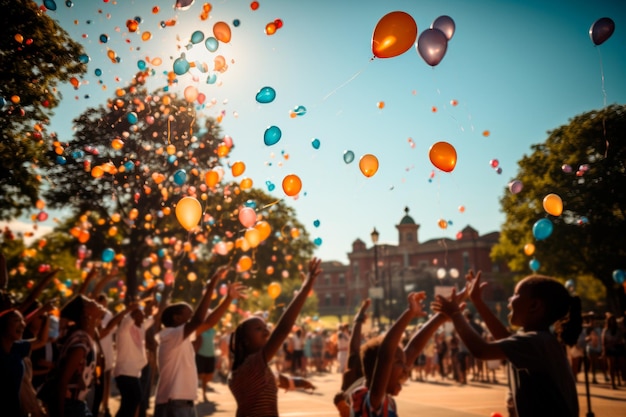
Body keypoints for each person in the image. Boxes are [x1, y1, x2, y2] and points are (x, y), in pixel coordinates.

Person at [431, 271, 582, 417]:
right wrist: (478, 302)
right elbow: (504, 338)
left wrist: (455, 314)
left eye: (516, 294)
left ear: (534, 305)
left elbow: (481, 351)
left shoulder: (536, 342)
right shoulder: (538, 340)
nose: (509, 299)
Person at [228, 257, 322, 417]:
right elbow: (284, 328)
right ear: (245, 341)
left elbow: (279, 379)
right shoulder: (250, 366)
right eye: (259, 329)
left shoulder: (254, 367)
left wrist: (300, 382)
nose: (266, 332)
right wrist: (305, 288)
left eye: (265, 327)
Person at [153, 265, 244, 417]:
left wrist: (228, 298)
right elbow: (199, 320)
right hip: (173, 403)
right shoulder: (170, 335)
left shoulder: (180, 337)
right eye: (188, 316)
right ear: (176, 318)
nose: (192, 319)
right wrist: (212, 283)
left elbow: (208, 323)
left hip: (183, 403)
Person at [349, 291, 458, 417]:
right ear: (381, 367)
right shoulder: (369, 400)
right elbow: (386, 353)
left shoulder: (388, 401)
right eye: (399, 362)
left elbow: (413, 348)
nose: (406, 367)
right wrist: (409, 313)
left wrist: (442, 317)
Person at [39, 294, 107, 417]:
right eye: (89, 302)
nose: (94, 301)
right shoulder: (80, 344)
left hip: (77, 403)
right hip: (69, 406)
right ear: (85, 313)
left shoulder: (87, 338)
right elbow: (62, 381)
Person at [601, 313, 626, 389]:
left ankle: (619, 380)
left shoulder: (618, 330)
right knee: (611, 366)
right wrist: (604, 350)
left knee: (619, 365)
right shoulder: (606, 330)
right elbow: (603, 341)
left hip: (618, 348)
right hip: (609, 349)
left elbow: (621, 338)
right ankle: (613, 383)